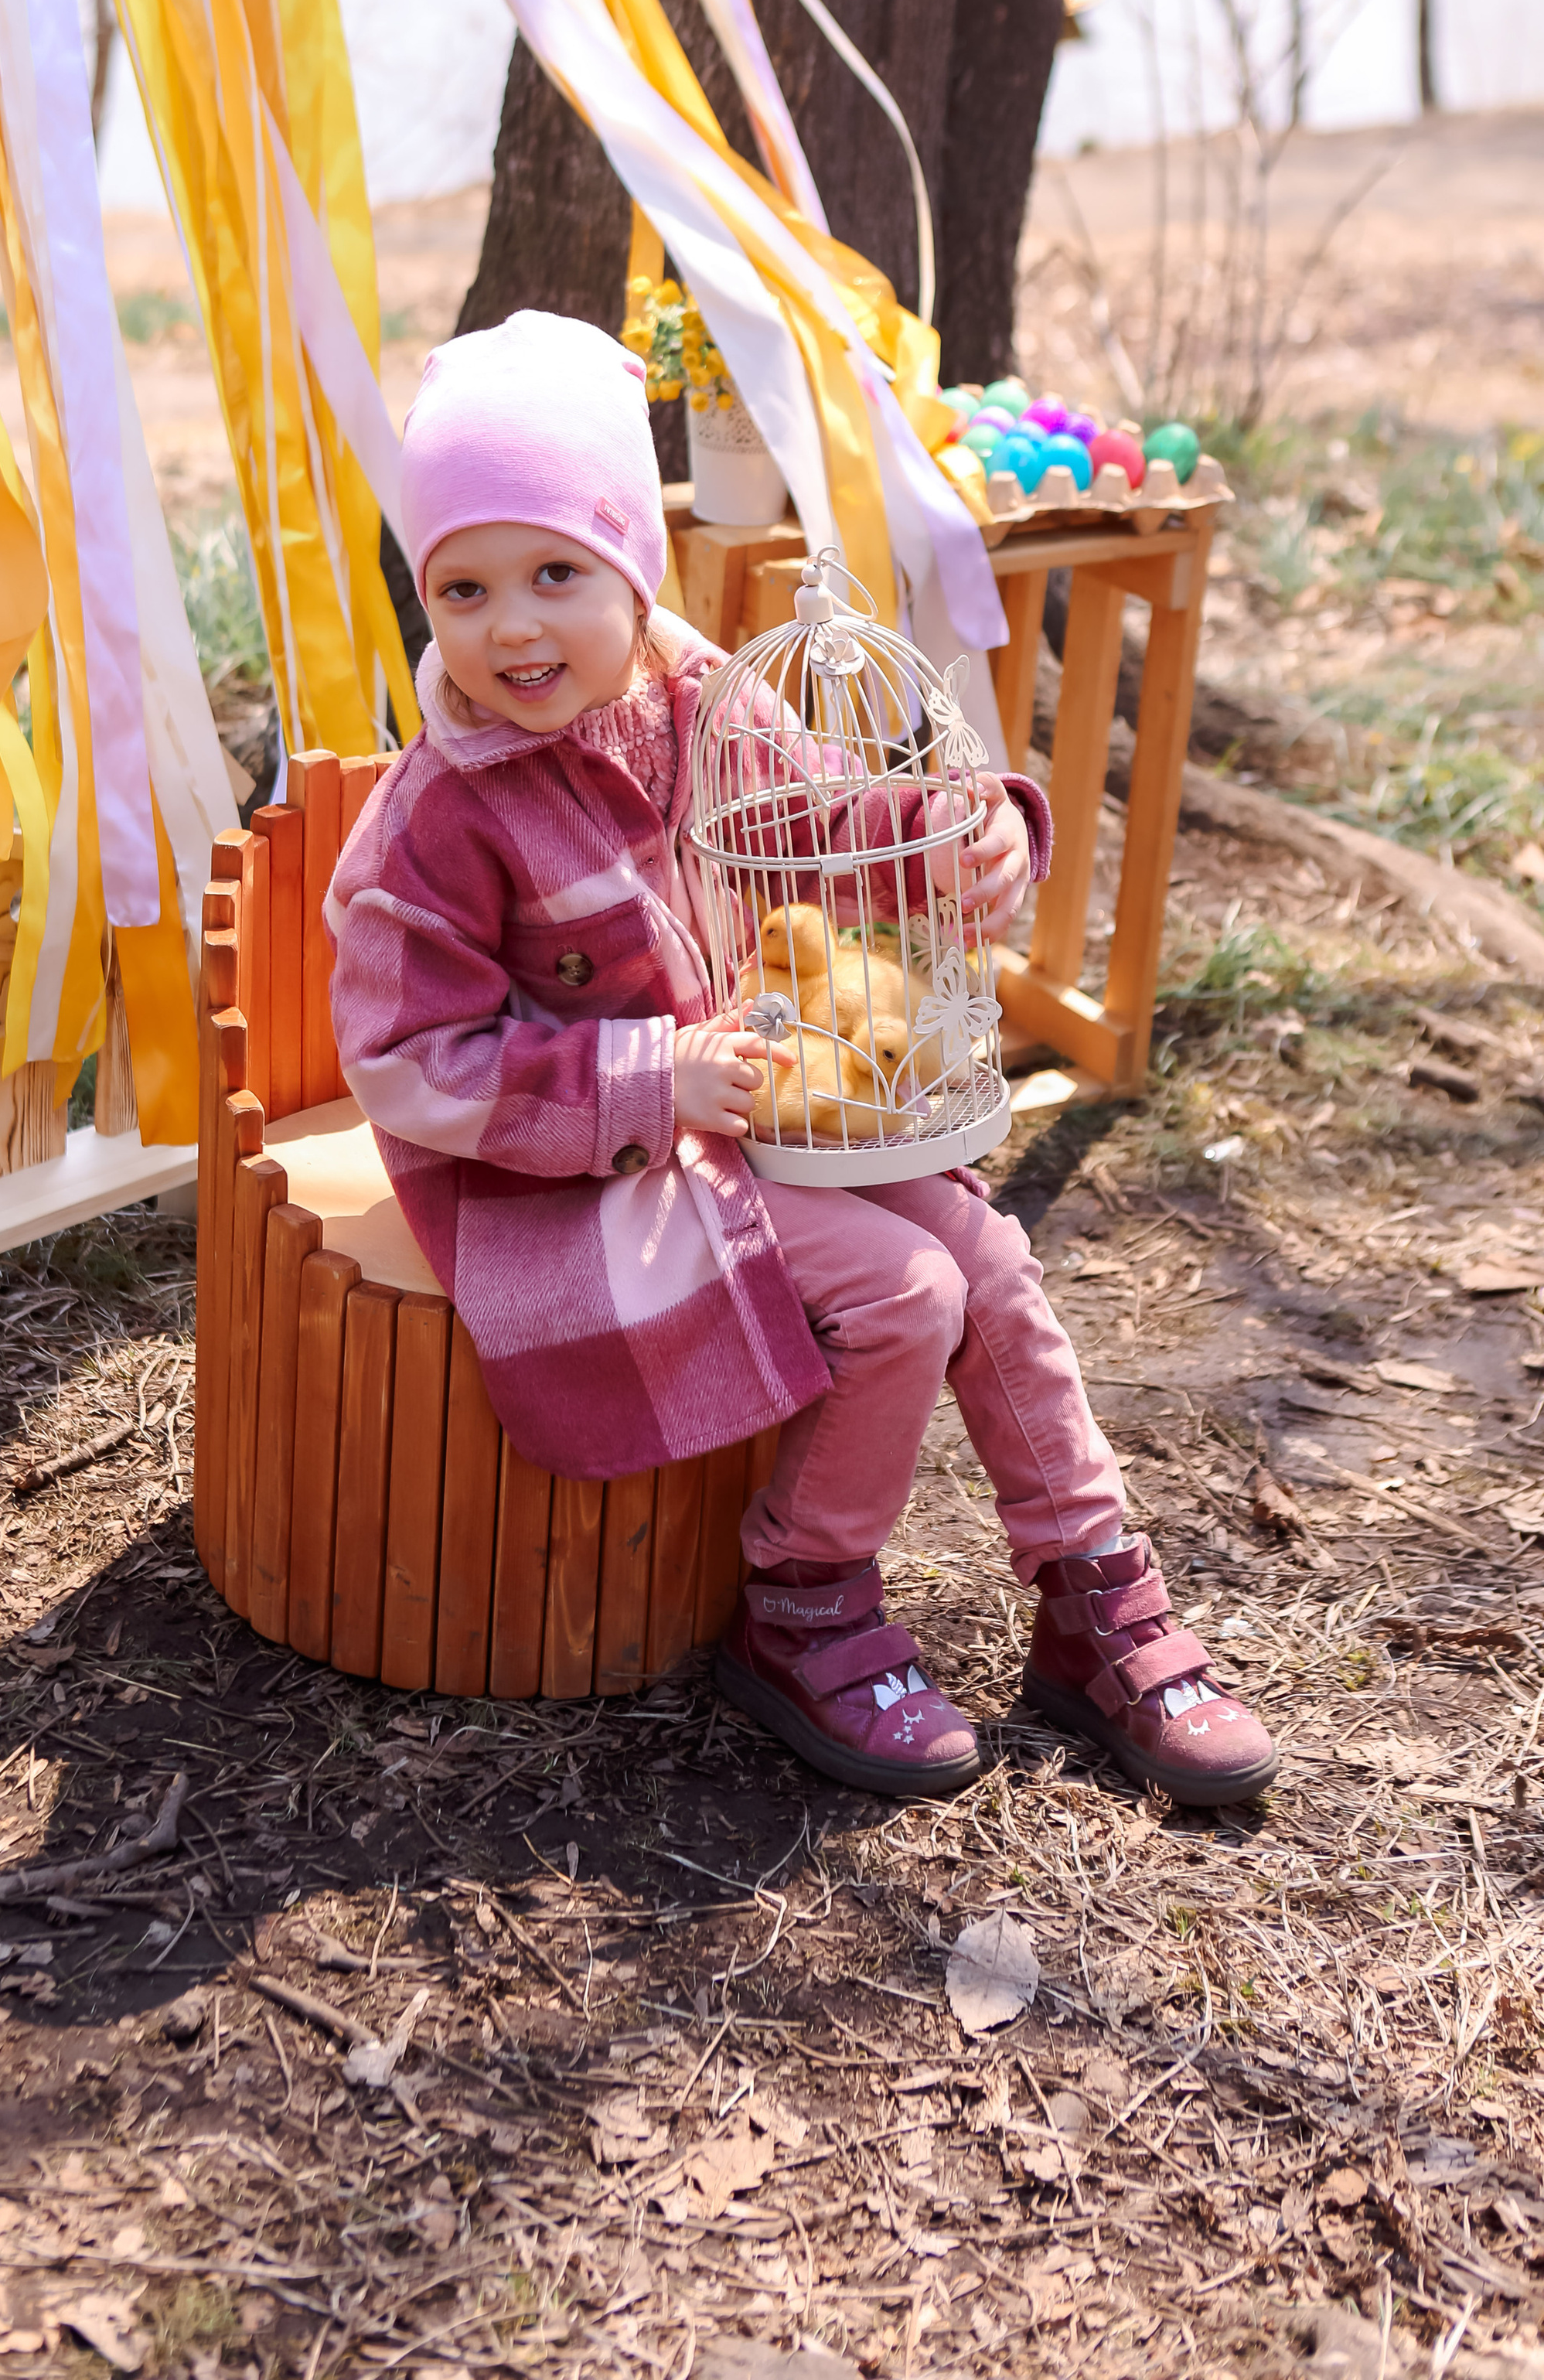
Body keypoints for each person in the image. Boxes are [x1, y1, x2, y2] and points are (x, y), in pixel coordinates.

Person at [328, 312, 1276, 1806]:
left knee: (992, 1259)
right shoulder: (439, 818)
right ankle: (802, 1602)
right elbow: (411, 1065)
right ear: (424, 603)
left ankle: (1094, 1592)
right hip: (563, 1174)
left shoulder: (693, 695)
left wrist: (960, 836)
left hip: (746, 1120)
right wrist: (649, 1078)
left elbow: (830, 814)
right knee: (904, 1292)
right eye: (464, 588)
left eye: (557, 575)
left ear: (634, 570)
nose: (513, 628)